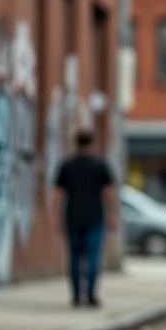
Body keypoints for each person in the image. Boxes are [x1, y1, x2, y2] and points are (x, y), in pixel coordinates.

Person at [54, 131, 116, 307]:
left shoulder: (67, 165)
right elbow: (109, 192)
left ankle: (75, 296)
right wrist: (112, 214)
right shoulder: (99, 165)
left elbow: (58, 193)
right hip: (95, 217)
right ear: (91, 143)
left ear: (76, 143)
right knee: (92, 257)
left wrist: (57, 215)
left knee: (74, 257)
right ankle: (90, 296)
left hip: (72, 216)